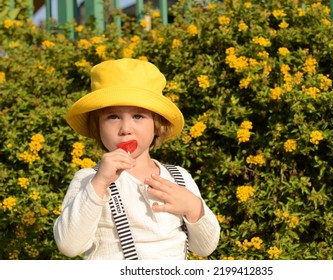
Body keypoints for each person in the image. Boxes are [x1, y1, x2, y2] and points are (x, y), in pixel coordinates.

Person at [54, 58, 220, 260]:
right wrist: (99, 184)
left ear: (157, 124)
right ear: (97, 125)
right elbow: (69, 245)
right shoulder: (88, 179)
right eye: (113, 117)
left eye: (138, 117)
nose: (125, 129)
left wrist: (193, 207)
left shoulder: (179, 177)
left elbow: (206, 247)